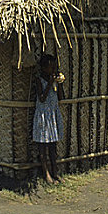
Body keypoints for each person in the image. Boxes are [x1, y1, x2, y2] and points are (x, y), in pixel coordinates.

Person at [33, 54, 64, 185]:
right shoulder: (39, 80)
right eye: (51, 67)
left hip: (53, 115)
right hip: (43, 116)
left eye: (54, 67)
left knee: (52, 147)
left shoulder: (54, 81)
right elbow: (42, 98)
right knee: (42, 147)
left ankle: (55, 172)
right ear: (44, 68)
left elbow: (61, 97)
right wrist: (50, 83)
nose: (53, 70)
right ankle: (46, 174)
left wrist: (59, 84)